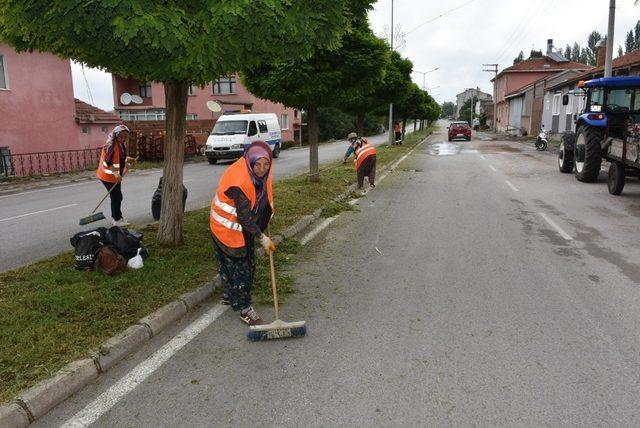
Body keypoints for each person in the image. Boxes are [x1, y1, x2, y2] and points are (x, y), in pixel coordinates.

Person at [210, 141, 276, 326]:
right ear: (250, 162)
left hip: (243, 226)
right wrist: (262, 238)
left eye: (266, 164)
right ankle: (245, 308)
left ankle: (231, 294)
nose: (262, 169)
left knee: (246, 262)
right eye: (258, 165)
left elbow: (263, 199)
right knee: (240, 267)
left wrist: (265, 220)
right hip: (226, 227)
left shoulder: (261, 173)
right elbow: (245, 219)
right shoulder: (239, 182)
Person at [96, 124, 137, 226]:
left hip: (115, 176)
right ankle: (116, 220)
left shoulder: (120, 144)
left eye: (125, 136)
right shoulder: (111, 145)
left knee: (118, 196)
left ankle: (118, 217)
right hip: (108, 176)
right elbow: (108, 161)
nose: (123, 138)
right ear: (116, 135)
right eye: (121, 136)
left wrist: (128, 159)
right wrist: (116, 174)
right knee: (116, 197)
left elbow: (120, 157)